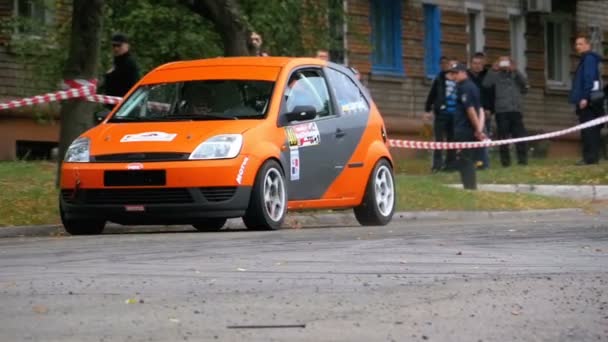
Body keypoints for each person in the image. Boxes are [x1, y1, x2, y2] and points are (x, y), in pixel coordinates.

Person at [482, 56, 529, 167]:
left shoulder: (515, 75)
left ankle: (522, 161)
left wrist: (515, 70)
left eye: (506, 61)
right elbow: (486, 84)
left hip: (516, 110)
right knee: (503, 137)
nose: (504, 64)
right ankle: (505, 162)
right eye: (501, 61)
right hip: (501, 111)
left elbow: (525, 86)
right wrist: (493, 69)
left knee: (520, 136)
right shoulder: (496, 75)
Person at [448, 62, 487, 190]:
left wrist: (477, 129)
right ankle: (470, 186)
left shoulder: (464, 87)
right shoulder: (474, 87)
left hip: (464, 129)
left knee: (465, 159)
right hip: (471, 129)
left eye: (456, 73)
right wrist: (479, 129)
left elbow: (470, 110)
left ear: (464, 73)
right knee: (468, 158)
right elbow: (480, 110)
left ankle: (469, 187)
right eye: (452, 73)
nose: (454, 76)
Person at [569, 33, 604, 165]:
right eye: (576, 44)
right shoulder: (586, 59)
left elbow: (588, 79)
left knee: (588, 130)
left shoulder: (588, 59)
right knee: (590, 129)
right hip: (590, 99)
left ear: (588, 45)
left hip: (588, 101)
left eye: (580, 44)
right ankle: (592, 157)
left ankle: (589, 158)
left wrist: (584, 98)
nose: (577, 47)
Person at [424, 56, 457, 172]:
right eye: (441, 63)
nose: (444, 65)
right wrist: (427, 109)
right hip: (441, 114)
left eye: (446, 63)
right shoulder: (439, 79)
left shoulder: (457, 78)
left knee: (452, 140)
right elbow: (432, 95)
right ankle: (437, 165)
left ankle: (451, 164)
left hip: (454, 114)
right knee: (439, 140)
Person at [468, 52, 491, 169]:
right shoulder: (466, 76)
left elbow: (491, 94)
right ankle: (471, 163)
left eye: (480, 64)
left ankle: (483, 163)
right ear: (470, 64)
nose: (477, 66)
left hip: (484, 113)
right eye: (475, 63)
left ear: (483, 65)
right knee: (471, 138)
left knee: (483, 138)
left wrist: (489, 109)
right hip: (470, 112)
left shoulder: (488, 76)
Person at [103, 33, 140, 99]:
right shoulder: (117, 62)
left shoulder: (129, 63)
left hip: (124, 105)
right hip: (114, 104)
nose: (116, 48)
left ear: (127, 46)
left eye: (119, 45)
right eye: (114, 45)